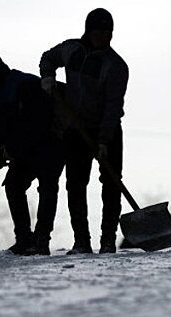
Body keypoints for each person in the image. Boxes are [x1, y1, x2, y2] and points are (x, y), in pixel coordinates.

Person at [39, 8, 129, 254]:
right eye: (99, 31)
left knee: (111, 183)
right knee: (75, 185)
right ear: (88, 31)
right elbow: (48, 57)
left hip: (106, 130)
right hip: (74, 129)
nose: (104, 36)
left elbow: (113, 106)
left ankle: (108, 240)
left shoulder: (116, 66)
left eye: (108, 32)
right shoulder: (71, 50)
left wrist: (103, 141)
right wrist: (47, 76)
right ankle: (82, 241)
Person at [0, 44, 64, 256]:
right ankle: (24, 239)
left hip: (50, 144)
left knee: (47, 185)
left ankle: (41, 239)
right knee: (14, 185)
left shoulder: (24, 85)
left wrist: (12, 149)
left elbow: (37, 124)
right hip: (22, 152)